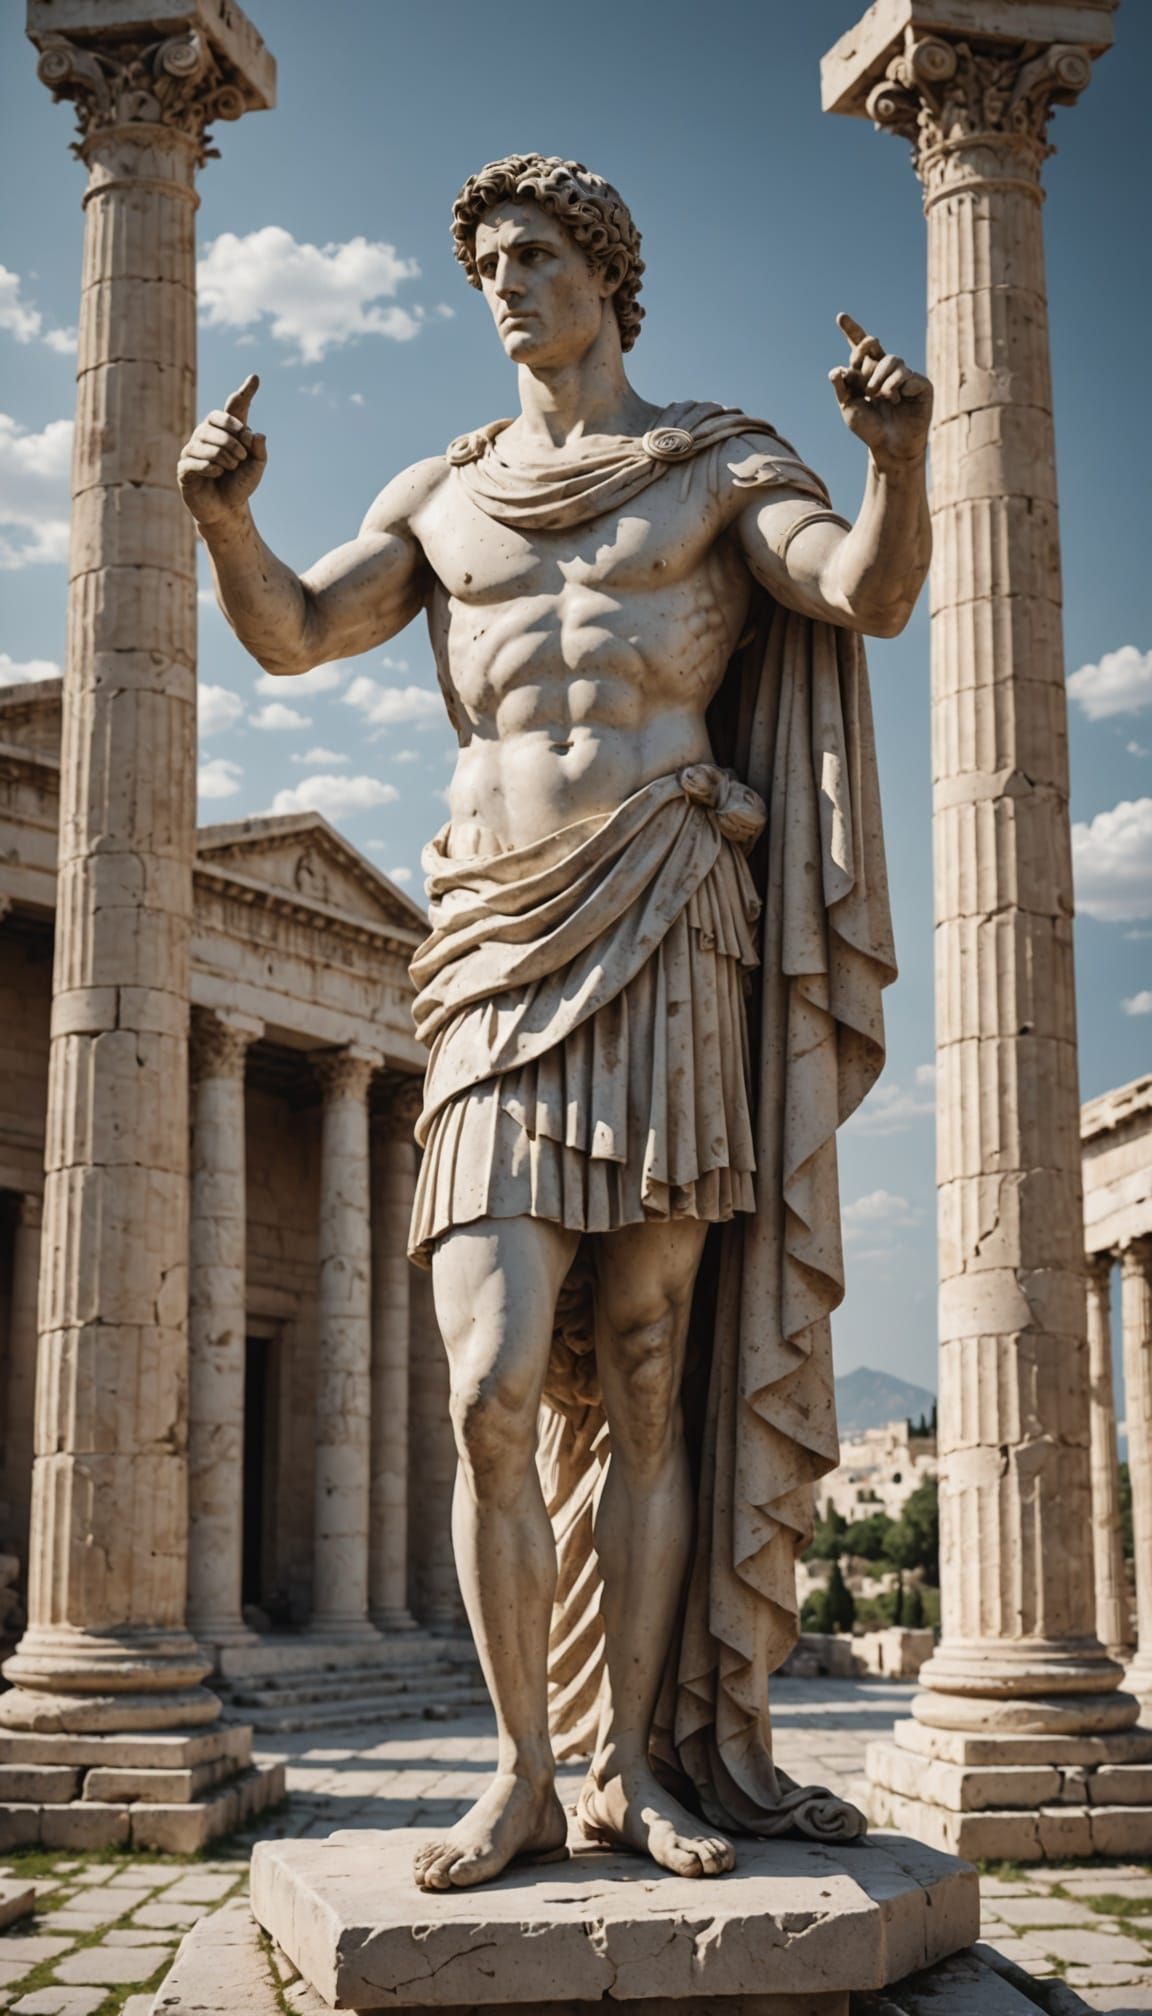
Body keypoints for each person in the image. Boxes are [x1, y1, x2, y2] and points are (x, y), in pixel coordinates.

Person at [179, 153, 931, 1892]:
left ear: (608, 274)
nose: (508, 284)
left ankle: (633, 1767)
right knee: (494, 1382)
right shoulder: (443, 496)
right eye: (488, 263)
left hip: (671, 918)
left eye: (537, 255)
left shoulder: (720, 464)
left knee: (654, 1371)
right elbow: (295, 634)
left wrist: (895, 460)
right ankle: (518, 1768)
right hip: (495, 950)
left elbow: (866, 596)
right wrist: (226, 517)